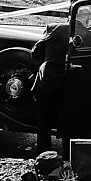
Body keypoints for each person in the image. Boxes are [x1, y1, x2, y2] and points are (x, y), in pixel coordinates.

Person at [31, 22, 70, 155]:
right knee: (68, 123)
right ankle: (69, 158)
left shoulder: (55, 29)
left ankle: (44, 159)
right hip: (70, 83)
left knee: (43, 125)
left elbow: (35, 53)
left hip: (48, 81)